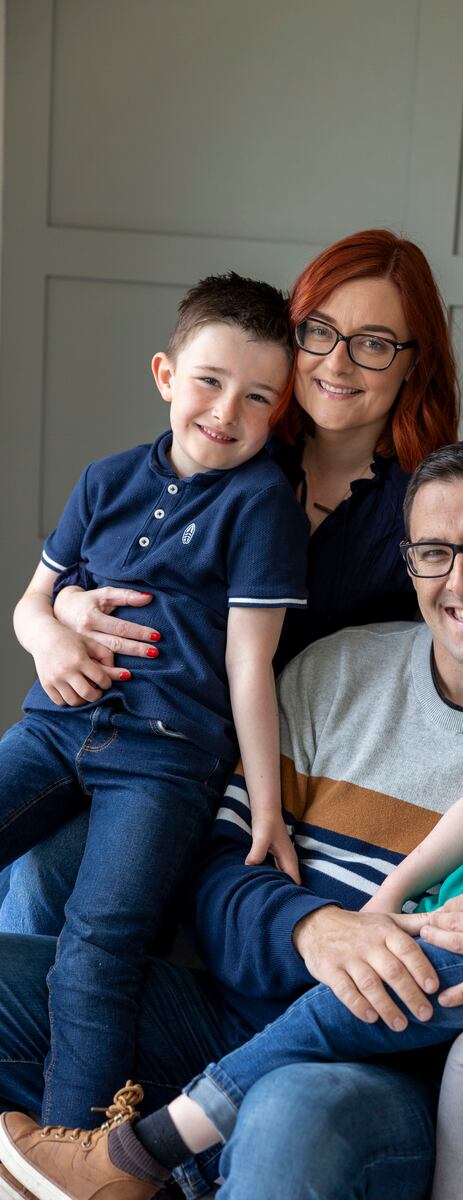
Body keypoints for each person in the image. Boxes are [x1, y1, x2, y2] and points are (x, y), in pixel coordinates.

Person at [0, 441, 463, 1200]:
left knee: (291, 1111)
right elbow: (212, 872)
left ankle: (146, 1161)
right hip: (224, 1019)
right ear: (410, 565)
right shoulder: (333, 671)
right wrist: (313, 929)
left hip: (376, 1076)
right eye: (433, 553)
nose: (460, 581)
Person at [0, 226, 460, 934]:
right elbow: (104, 557)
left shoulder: (426, 508)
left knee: (44, 877)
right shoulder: (232, 445)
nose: (337, 362)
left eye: (372, 343)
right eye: (318, 332)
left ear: (413, 363)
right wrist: (64, 606)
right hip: (111, 719)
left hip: (248, 769)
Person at [0, 273, 309, 1127]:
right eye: (209, 381)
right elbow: (32, 601)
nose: (227, 412)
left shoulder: (261, 506)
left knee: (97, 951)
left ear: (279, 410)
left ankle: (77, 1153)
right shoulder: (106, 480)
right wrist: (51, 636)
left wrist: (267, 810)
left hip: (165, 760)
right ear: (166, 376)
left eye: (258, 398)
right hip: (57, 724)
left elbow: (250, 665)